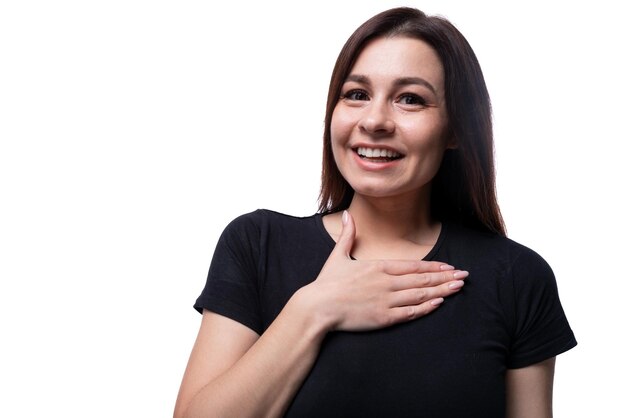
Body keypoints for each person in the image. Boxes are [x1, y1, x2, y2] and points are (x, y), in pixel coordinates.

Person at [174, 7, 576, 418]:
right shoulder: (257, 244)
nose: (375, 120)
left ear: (455, 129)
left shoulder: (517, 278)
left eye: (410, 99)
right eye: (357, 94)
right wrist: (314, 309)